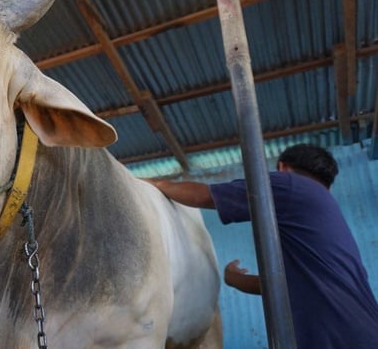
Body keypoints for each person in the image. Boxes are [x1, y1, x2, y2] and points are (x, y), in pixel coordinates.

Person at [147, 144, 378, 348]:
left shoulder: (291, 185)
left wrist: (153, 185)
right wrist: (235, 280)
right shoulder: (324, 210)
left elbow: (204, 196)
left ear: (282, 167)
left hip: (337, 336)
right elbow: (292, 286)